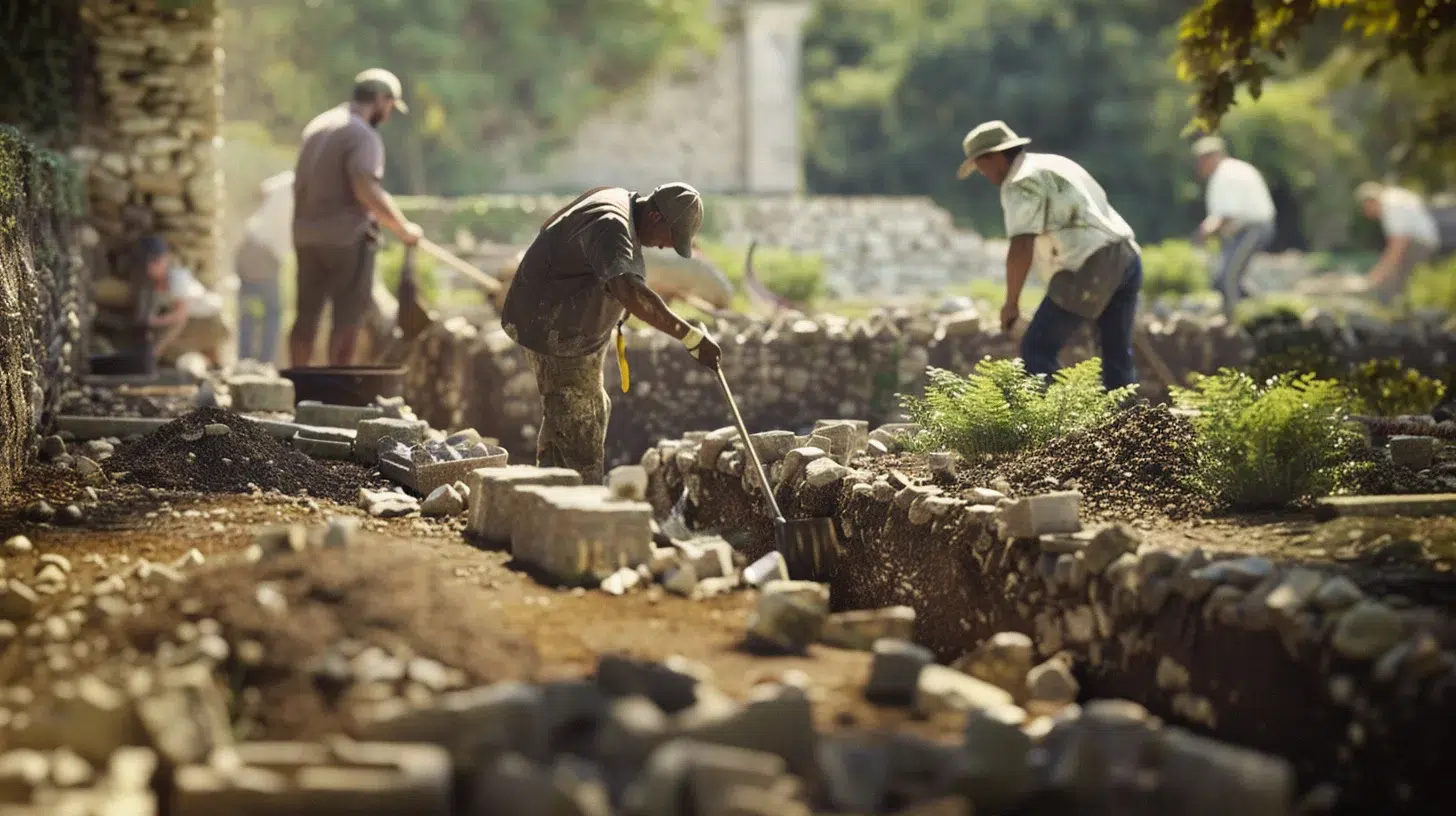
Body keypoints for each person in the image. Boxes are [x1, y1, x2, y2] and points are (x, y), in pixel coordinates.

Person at [500, 183, 723, 484]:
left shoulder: (623, 203)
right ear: (656, 218)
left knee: (577, 411)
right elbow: (630, 290)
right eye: (670, 238)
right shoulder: (612, 225)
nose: (663, 247)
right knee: (582, 424)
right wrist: (690, 337)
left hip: (563, 321)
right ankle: (581, 511)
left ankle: (550, 489)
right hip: (555, 329)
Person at [957, 120, 1142, 390]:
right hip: (1127, 257)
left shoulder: (1020, 181)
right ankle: (1132, 428)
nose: (983, 174)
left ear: (994, 157)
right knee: (1115, 356)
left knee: (1036, 348)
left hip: (1090, 264)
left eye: (981, 166)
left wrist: (1011, 304)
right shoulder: (1054, 163)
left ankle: (1056, 424)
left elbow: (1021, 245)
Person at [290, 68, 423, 367]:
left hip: (306, 237)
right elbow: (365, 188)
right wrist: (403, 229)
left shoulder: (319, 126)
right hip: (346, 240)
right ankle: (337, 389)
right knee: (347, 318)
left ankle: (296, 385)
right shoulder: (362, 134)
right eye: (389, 106)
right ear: (379, 99)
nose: (388, 115)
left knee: (306, 315)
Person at [1191, 136, 1276, 320]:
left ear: (1212, 157)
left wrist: (1204, 233)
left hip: (1253, 228)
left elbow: (1227, 215)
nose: (1200, 166)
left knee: (1228, 276)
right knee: (1226, 276)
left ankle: (1234, 322)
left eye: (1202, 161)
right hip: (1243, 230)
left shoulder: (1226, 174)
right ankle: (1259, 310)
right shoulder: (1228, 171)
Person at [137, 235, 228, 366]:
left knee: (174, 350)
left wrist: (156, 350)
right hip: (193, 321)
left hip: (209, 322)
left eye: (156, 262)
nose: (151, 268)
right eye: (149, 264)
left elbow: (180, 318)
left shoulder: (177, 277)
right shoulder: (154, 284)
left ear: (166, 259)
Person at [236, 170, 293, 364]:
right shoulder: (312, 191)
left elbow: (260, 190)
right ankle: (265, 362)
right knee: (273, 311)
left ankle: (244, 359)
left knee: (249, 308)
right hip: (266, 254)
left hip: (248, 245)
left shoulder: (287, 180)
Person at [1355, 182, 1444, 303]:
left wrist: (1376, 276)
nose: (1367, 213)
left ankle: (1397, 307)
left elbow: (1397, 248)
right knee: (1399, 277)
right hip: (1423, 242)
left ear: (1370, 202)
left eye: (1366, 208)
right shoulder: (1393, 198)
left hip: (1419, 244)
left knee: (1398, 277)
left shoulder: (1391, 207)